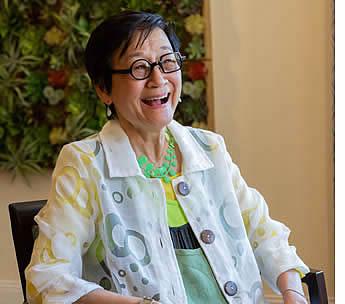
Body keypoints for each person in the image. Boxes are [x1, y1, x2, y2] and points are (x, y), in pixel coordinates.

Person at [25, 11, 309, 304]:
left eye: (168, 61)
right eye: (139, 67)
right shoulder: (85, 164)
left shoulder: (210, 149)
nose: (158, 78)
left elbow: (265, 235)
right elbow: (48, 279)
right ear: (103, 89)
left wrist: (292, 292)